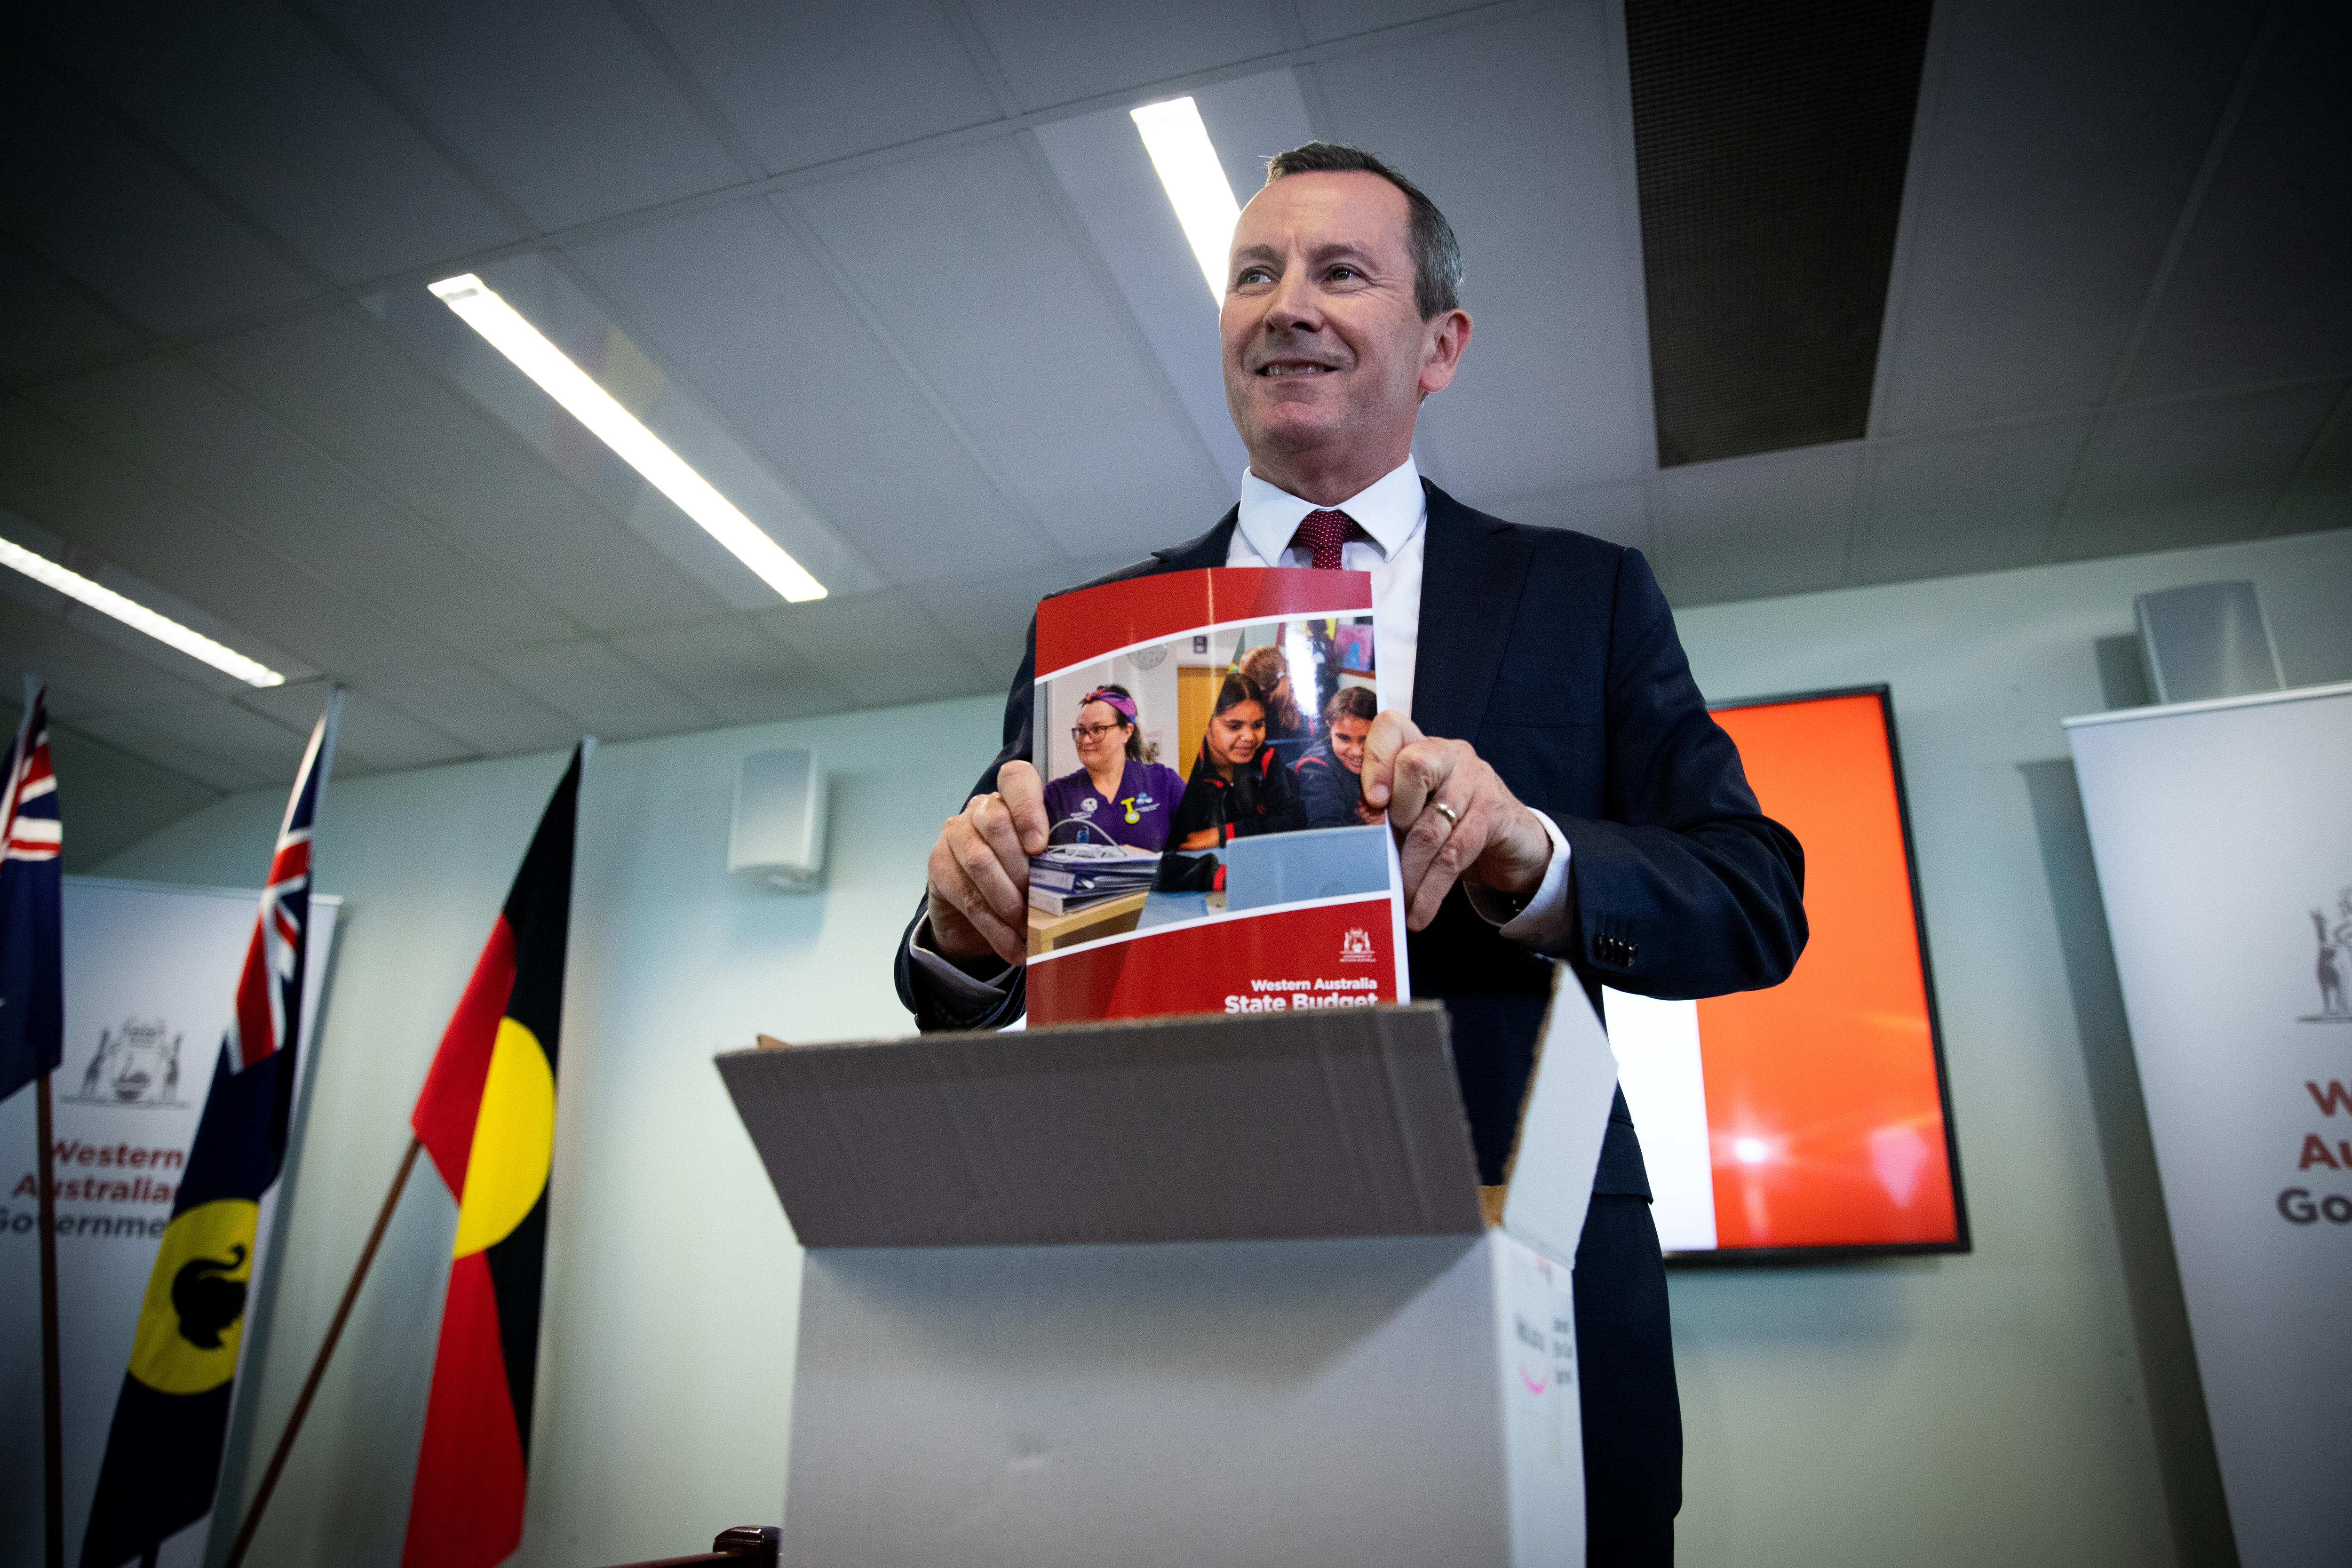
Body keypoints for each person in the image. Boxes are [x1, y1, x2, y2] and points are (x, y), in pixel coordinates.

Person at [897, 141, 1805, 1563]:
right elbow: (978, 954)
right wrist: (963, 923)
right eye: (1253, 274)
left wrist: (1527, 852)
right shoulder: (1096, 631)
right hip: (1181, 1298)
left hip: (1522, 1276)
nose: (1286, 305)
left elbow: (1752, 897)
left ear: (1440, 346)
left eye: (1339, 272)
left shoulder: (1583, 594)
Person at [1168, 674, 1308, 850]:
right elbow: (1179, 838)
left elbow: (1296, 819)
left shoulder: (1267, 759)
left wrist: (1224, 834)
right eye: (1234, 727)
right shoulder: (1186, 769)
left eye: (1258, 725)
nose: (1249, 737)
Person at [1041, 685, 1186, 851]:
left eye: (1098, 729)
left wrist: (1154, 860)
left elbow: (1201, 840)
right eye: (1081, 731)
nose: (1086, 741)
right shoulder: (1058, 795)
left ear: (1127, 732)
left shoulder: (1164, 783)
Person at [1295, 686, 1379, 829]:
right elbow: (1326, 831)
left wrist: (1388, 816)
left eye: (1366, 739)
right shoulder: (1315, 769)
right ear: (1329, 728)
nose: (1357, 752)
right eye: (1344, 738)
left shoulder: (1387, 753)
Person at [1237, 643, 1311, 768]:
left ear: (1249, 679)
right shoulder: (1303, 704)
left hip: (1263, 769)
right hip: (1298, 767)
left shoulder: (1252, 709)